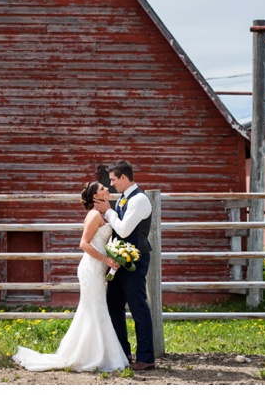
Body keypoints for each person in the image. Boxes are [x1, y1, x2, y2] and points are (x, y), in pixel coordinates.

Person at [13, 182, 130, 372]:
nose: (107, 189)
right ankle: (88, 355)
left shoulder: (100, 215)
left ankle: (97, 354)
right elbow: (84, 244)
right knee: (93, 308)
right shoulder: (93, 215)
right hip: (91, 267)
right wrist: (107, 260)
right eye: (102, 188)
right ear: (95, 197)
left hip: (98, 267)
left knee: (96, 307)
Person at [93, 159, 155, 370]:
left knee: (138, 306)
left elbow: (125, 229)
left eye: (113, 180)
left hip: (135, 260)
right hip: (120, 260)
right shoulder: (123, 199)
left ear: (124, 177)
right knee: (113, 304)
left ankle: (146, 357)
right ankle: (122, 353)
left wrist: (108, 211)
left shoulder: (139, 200)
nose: (111, 185)